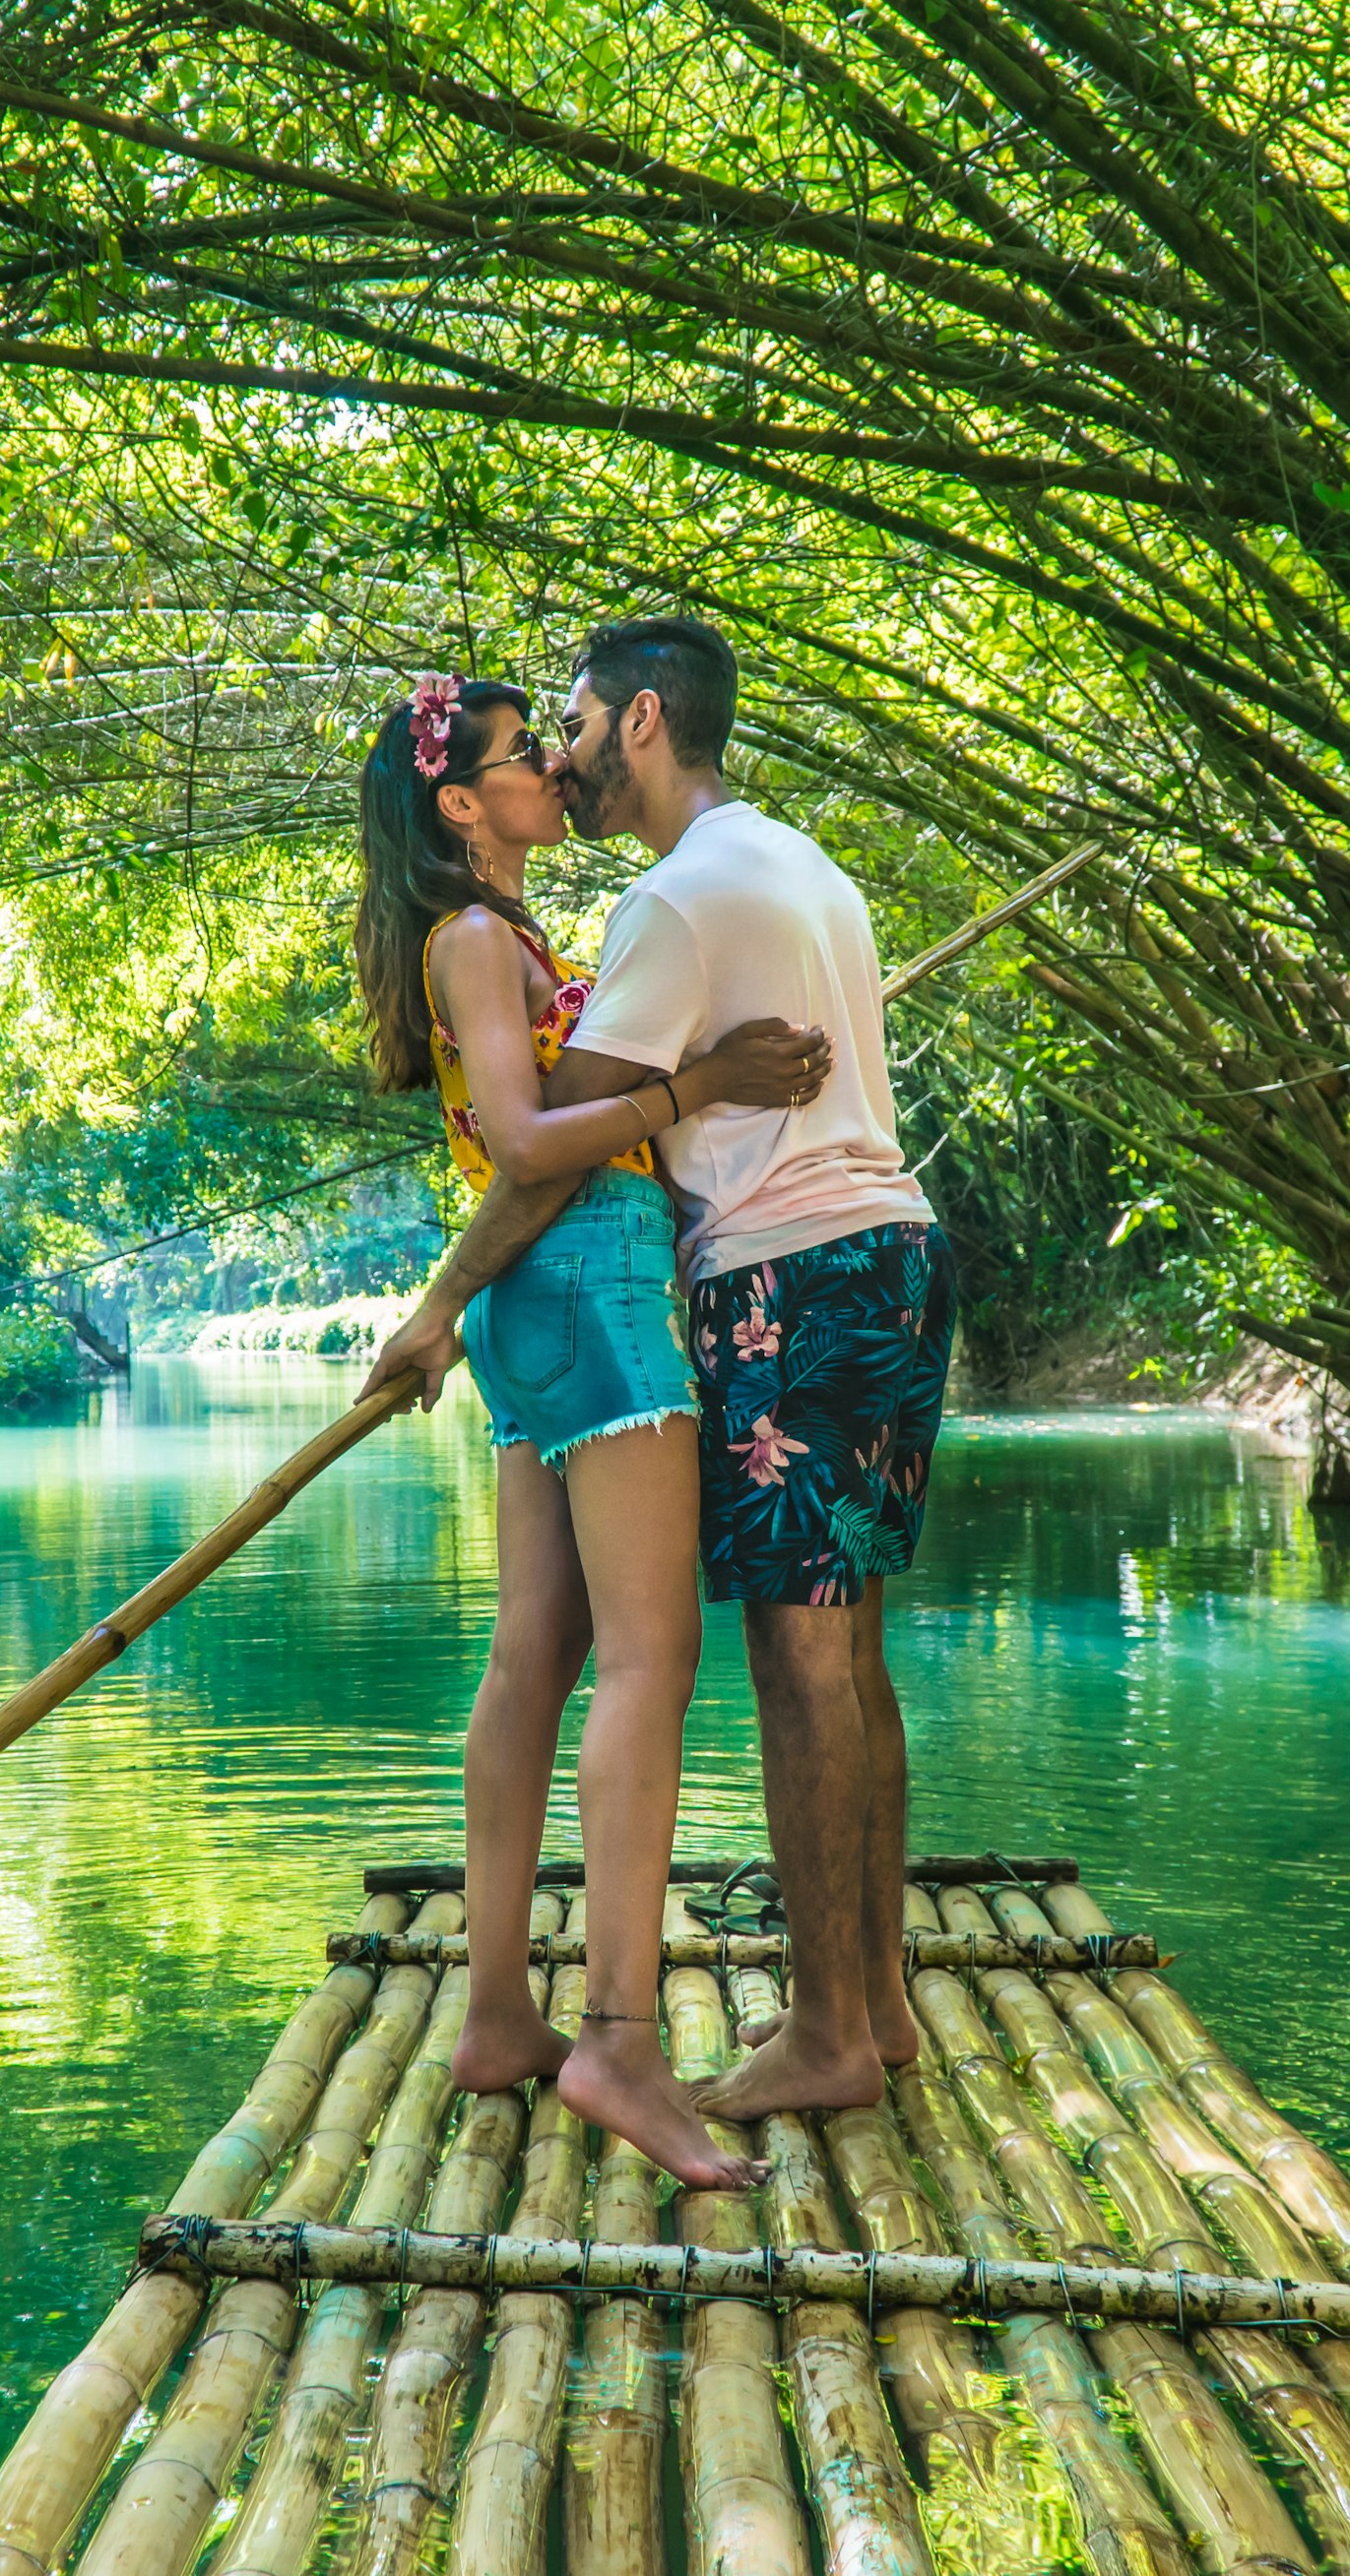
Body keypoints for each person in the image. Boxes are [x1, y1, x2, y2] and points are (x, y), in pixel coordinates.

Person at [365, 619, 950, 2122]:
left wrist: (442, 1300)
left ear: (638, 724)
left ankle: (823, 2031)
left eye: (568, 724)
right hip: (885, 1253)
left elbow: (553, 1137)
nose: (558, 754)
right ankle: (870, 2004)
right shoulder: (804, 866)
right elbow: (548, 1123)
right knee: (850, 1652)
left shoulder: (669, 904)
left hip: (788, 1275)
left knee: (791, 1656)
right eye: (525, 743)